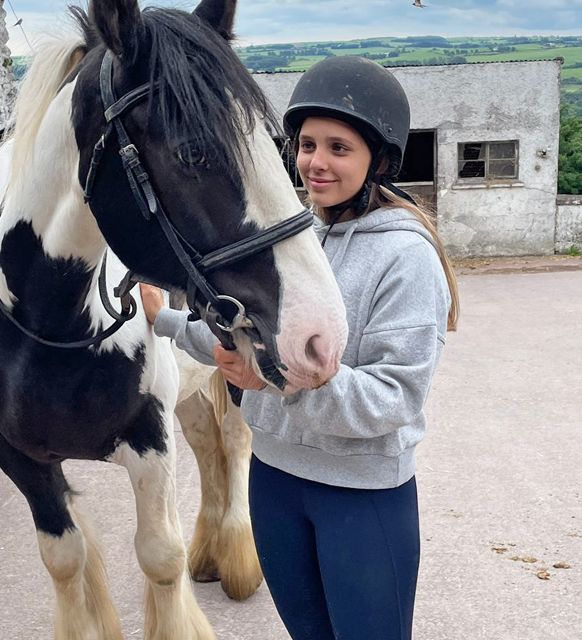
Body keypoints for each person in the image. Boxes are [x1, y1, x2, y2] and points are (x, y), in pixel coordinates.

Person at [140, 56, 459, 640]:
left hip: (362, 497)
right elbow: (239, 342)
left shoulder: (406, 257)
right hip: (276, 481)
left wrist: (270, 381)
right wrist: (168, 322)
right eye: (307, 144)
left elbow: (394, 398)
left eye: (339, 147)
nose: (316, 162)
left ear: (379, 160)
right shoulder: (294, 242)